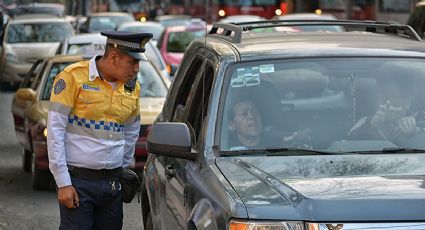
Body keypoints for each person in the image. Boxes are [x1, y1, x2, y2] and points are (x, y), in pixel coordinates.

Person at [47, 31, 152, 229]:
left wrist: (122, 169)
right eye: (132, 62)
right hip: (79, 182)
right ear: (113, 56)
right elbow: (55, 132)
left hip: (112, 184)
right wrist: (63, 183)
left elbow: (131, 132)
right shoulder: (73, 78)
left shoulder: (132, 88)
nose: (137, 68)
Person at [228, 95, 312, 150]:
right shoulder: (226, 147)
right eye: (244, 114)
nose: (251, 117)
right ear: (232, 125)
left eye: (255, 112)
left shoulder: (275, 144)